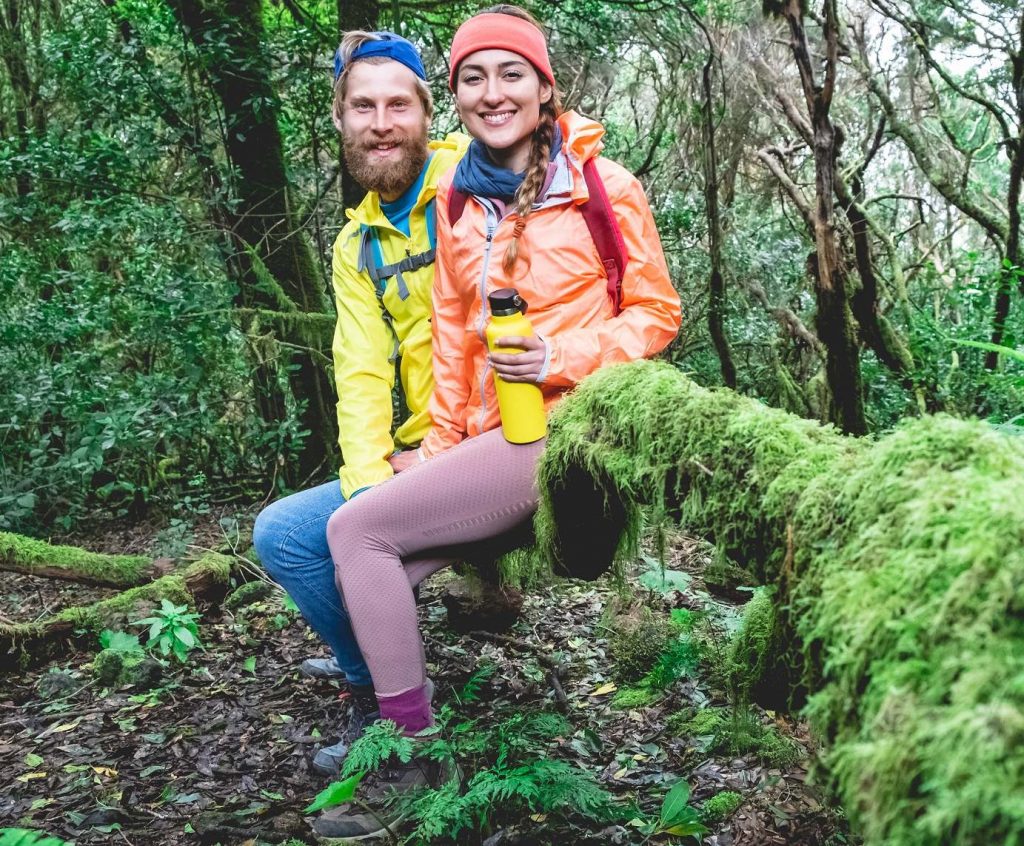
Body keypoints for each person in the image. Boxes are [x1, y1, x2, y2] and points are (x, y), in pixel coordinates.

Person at [312, 5, 682, 838]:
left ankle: (414, 759)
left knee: (354, 532)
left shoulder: (602, 186)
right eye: (473, 78)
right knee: (378, 567)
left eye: (511, 73)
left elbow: (657, 313)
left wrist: (560, 355)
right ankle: (400, 728)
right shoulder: (458, 203)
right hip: (495, 437)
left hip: (574, 434)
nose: (492, 92)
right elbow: (454, 347)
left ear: (545, 87)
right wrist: (437, 454)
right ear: (458, 98)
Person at [252, 30, 466, 777]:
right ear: (339, 118)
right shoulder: (357, 247)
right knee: (283, 535)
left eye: (398, 105)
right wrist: (373, 480)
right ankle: (369, 682)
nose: (381, 123)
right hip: (420, 456)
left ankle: (404, 734)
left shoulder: (472, 187)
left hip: (489, 444)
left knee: (354, 542)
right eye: (363, 106)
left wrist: (437, 455)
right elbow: (362, 371)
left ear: (427, 113)